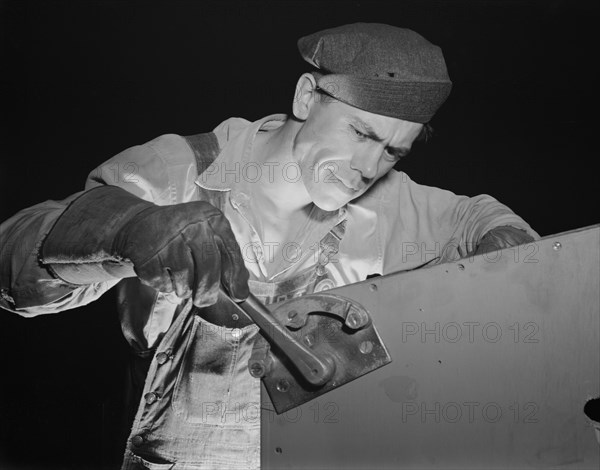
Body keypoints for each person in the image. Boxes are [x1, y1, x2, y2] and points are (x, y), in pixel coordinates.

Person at [0, 23, 537, 469]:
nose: (369, 171)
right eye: (362, 135)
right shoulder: (181, 169)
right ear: (307, 96)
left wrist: (505, 247)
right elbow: (13, 268)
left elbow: (476, 215)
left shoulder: (394, 202)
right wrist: (125, 226)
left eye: (395, 153)